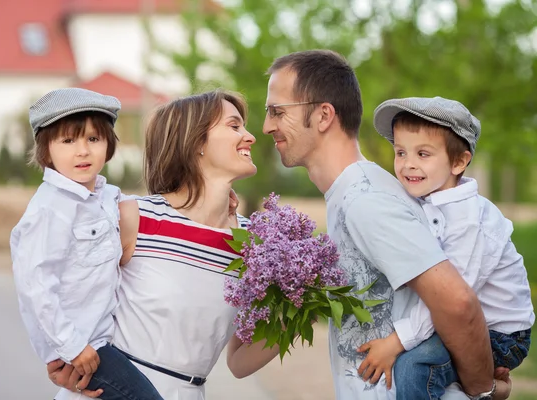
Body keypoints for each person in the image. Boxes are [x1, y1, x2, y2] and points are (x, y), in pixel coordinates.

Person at [262, 49, 511, 399]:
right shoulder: (350, 195)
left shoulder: (366, 201)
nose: (266, 125)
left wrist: (485, 392)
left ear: (323, 115)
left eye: (277, 111)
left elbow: (457, 303)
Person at [46, 90, 281, 400]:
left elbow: (238, 362)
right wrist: (61, 352)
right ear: (196, 141)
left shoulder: (256, 245)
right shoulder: (134, 217)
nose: (250, 136)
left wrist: (304, 305)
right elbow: (58, 284)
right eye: (234, 126)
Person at [354, 97, 533, 399]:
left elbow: (450, 299)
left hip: (500, 333)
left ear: (458, 162)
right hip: (465, 320)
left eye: (423, 153)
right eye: (400, 152)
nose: (408, 163)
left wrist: (397, 341)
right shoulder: (424, 202)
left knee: (413, 366)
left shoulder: (469, 221)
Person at [10, 88, 164, 400]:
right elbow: (36, 286)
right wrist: (72, 346)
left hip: (109, 337)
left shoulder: (108, 196)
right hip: (84, 347)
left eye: (93, 139)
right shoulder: (49, 210)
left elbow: (154, 208)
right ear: (46, 150)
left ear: (108, 146)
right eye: (68, 141)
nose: (82, 151)